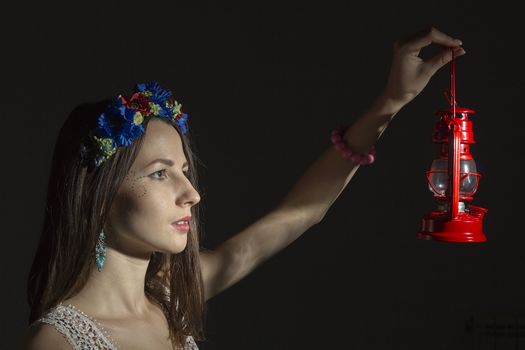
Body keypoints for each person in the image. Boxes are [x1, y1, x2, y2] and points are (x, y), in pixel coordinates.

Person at [23, 27, 465, 350]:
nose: (191, 194)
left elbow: (300, 213)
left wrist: (389, 104)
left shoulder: (171, 295)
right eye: (160, 173)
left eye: (183, 170)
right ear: (98, 194)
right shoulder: (58, 343)